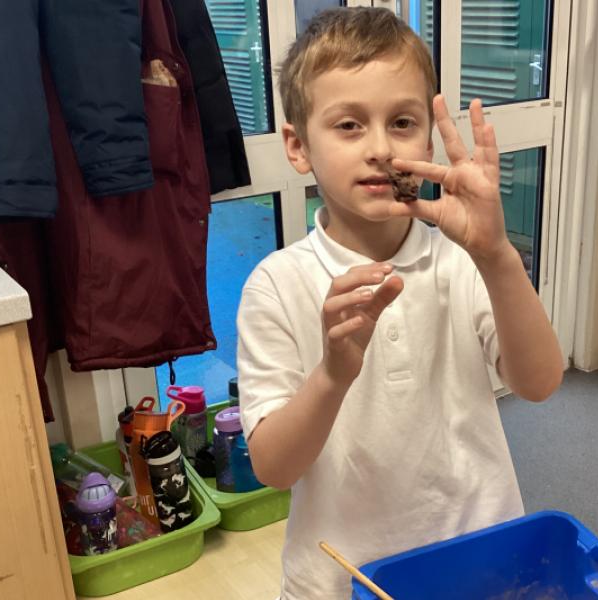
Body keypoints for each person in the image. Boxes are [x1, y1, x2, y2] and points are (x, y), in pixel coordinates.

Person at [236, 7, 563, 598]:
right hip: (341, 578)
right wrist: (332, 375)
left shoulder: (461, 260)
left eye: (403, 122)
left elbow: (540, 382)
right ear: (298, 145)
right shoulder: (276, 285)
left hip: (476, 562)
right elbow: (273, 468)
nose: (381, 148)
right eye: (349, 125)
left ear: (428, 138)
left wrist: (496, 255)